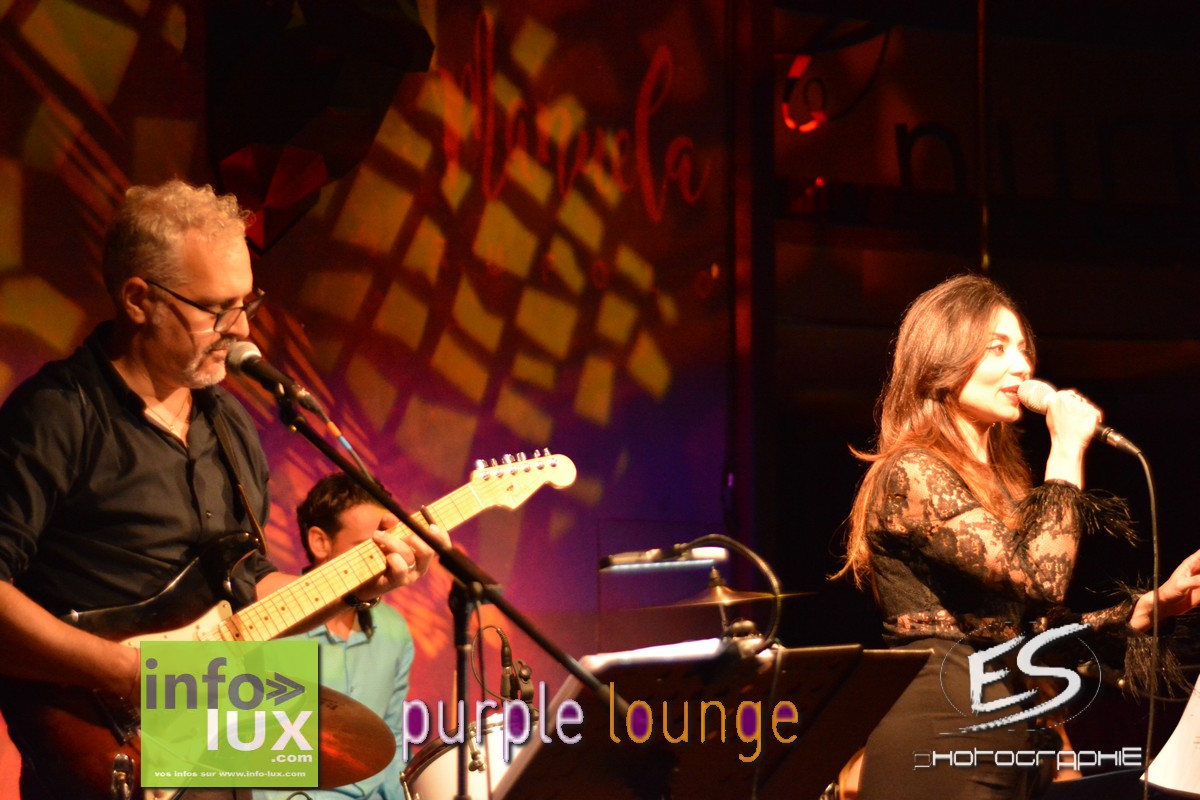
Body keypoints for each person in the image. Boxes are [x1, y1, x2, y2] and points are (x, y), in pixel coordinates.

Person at [0, 180, 445, 799]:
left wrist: (358, 582)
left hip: (217, 751)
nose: (242, 330)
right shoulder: (55, 415)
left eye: (247, 303)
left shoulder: (229, 424)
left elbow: (246, 590)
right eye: (217, 309)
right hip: (102, 751)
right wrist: (129, 673)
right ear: (138, 300)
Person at [836, 273, 1200, 800]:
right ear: (941, 361)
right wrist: (1066, 450)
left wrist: (1150, 607)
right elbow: (1040, 578)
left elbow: (1034, 632)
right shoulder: (911, 472)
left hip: (1013, 744)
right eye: (997, 348)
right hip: (942, 740)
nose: (1022, 366)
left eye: (1024, 349)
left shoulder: (1004, 487)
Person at [258, 473, 417, 800]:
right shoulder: (265, 624)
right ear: (320, 542)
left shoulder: (395, 631)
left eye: (386, 545)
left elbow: (394, 741)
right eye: (367, 549)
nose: (384, 558)